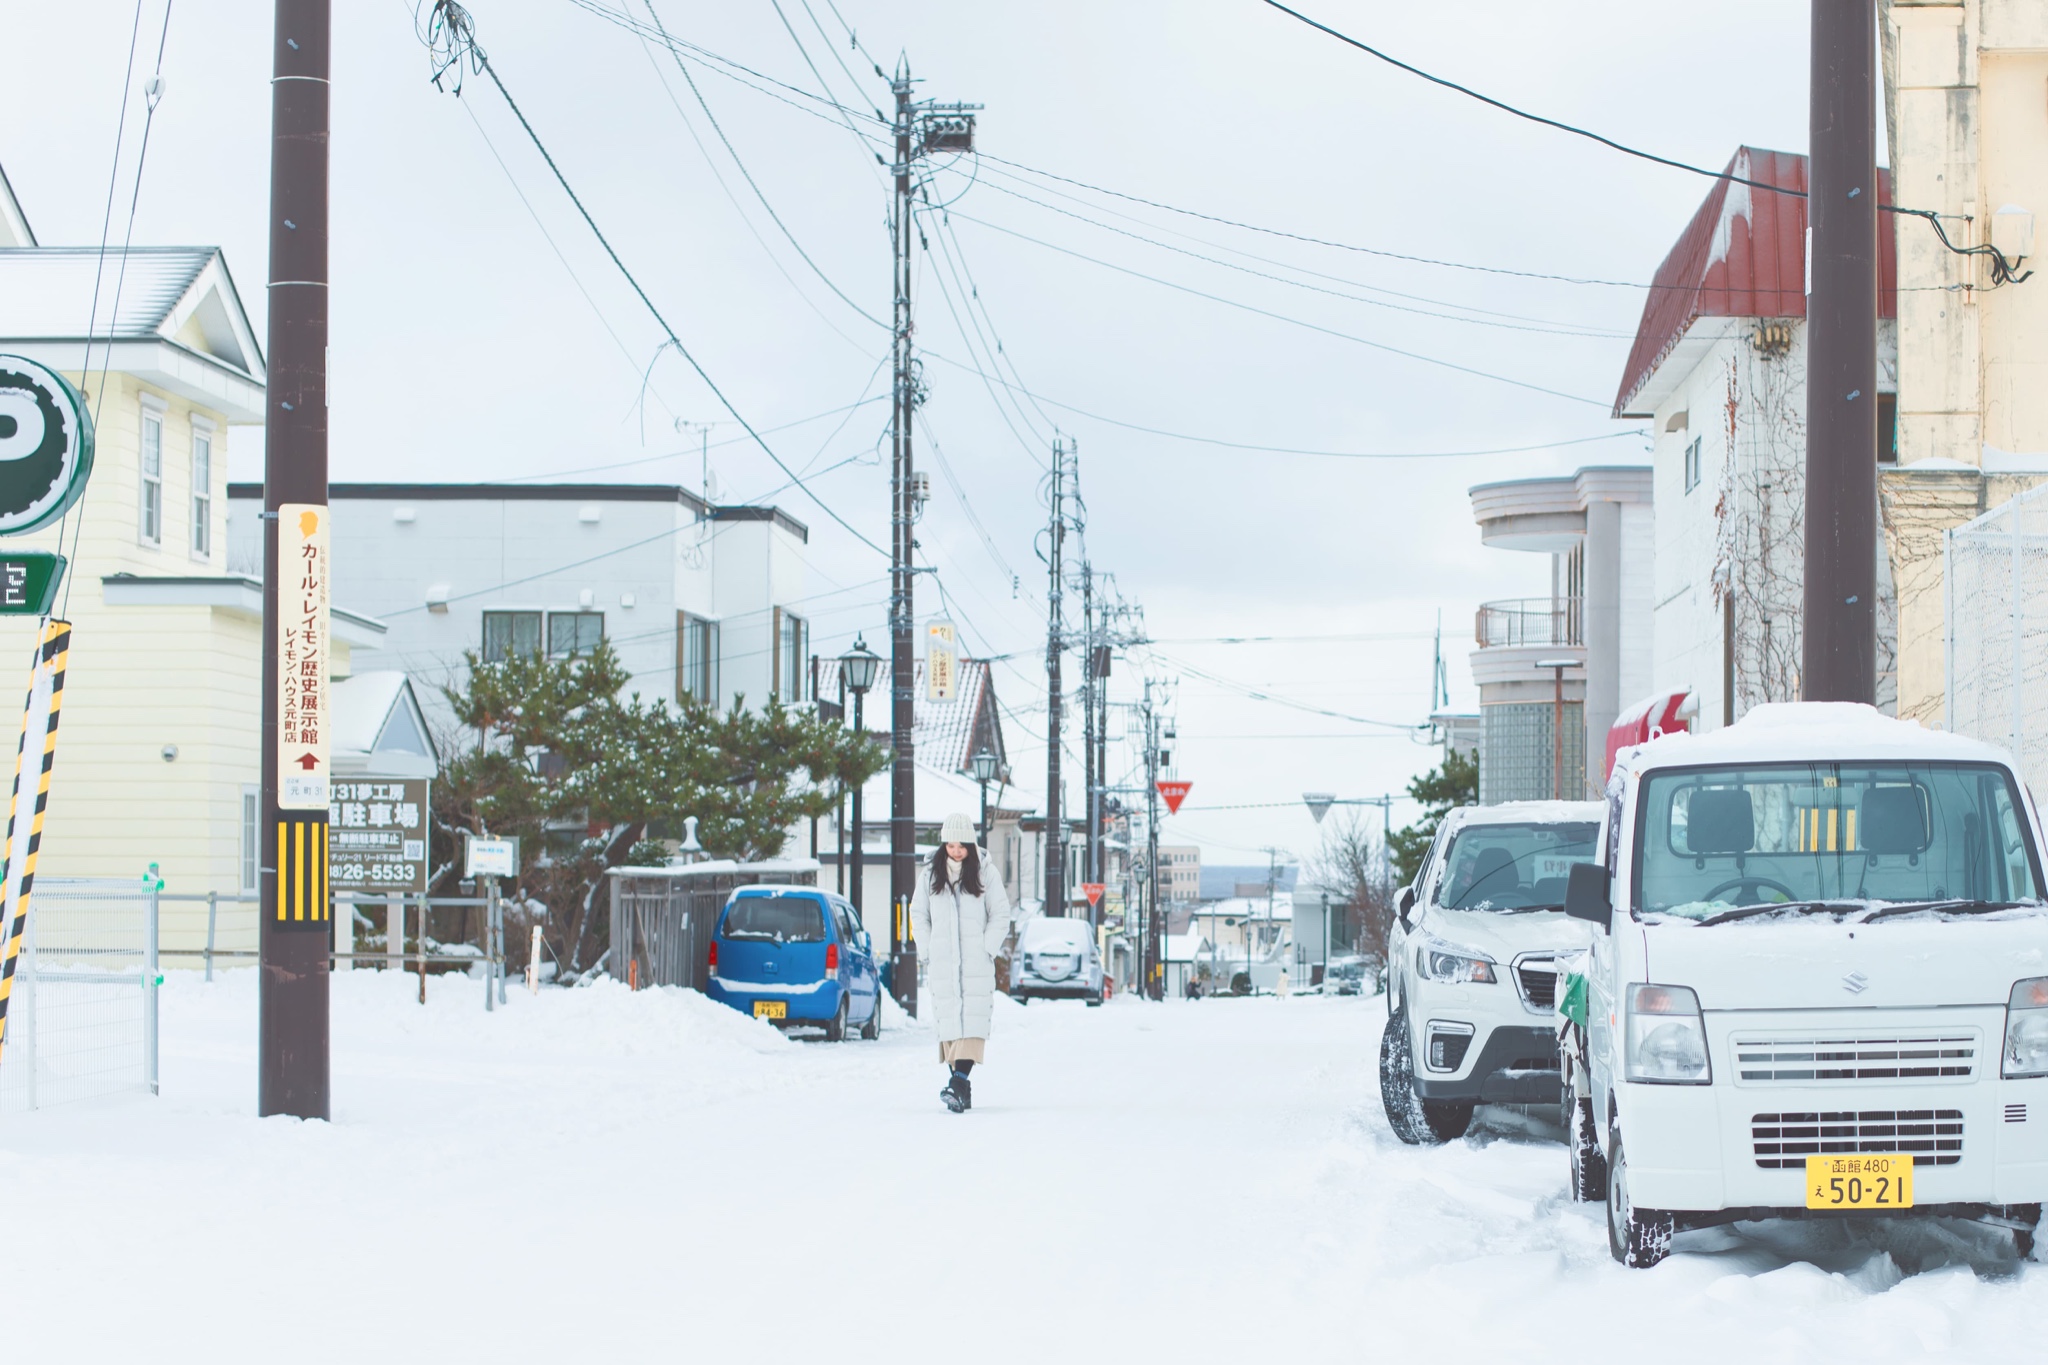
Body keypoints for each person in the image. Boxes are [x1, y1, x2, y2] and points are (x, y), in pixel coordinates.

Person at [909, 812, 1011, 1113]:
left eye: (962, 846)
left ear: (971, 845)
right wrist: (926, 948)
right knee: (951, 1028)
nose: (956, 851)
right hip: (942, 962)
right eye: (951, 846)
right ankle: (960, 1087)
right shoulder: (929, 875)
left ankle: (957, 1084)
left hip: (975, 963)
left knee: (972, 1025)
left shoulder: (986, 873)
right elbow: (919, 913)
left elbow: (1001, 914)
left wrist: (987, 948)